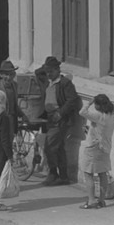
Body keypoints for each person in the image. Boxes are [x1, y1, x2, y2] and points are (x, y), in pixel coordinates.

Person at [34, 56, 82, 186]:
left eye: (51, 71)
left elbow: (72, 100)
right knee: (59, 148)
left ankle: (53, 173)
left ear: (58, 70)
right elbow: (37, 73)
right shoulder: (46, 81)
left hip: (60, 119)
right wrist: (46, 66)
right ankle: (64, 176)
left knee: (49, 146)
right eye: (47, 71)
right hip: (48, 117)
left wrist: (60, 113)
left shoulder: (65, 83)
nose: (48, 74)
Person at [79, 94, 114, 209]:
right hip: (106, 147)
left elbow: (82, 112)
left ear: (98, 105)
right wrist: (90, 130)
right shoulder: (111, 115)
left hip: (94, 147)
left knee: (88, 173)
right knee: (102, 173)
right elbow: (100, 130)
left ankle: (91, 201)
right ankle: (101, 200)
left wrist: (88, 103)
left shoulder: (99, 115)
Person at [0, 60, 30, 142]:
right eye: (6, 74)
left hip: (10, 120)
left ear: (14, 74)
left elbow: (14, 104)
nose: (9, 77)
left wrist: (22, 115)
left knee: (8, 143)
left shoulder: (14, 85)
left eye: (11, 74)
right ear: (1, 75)